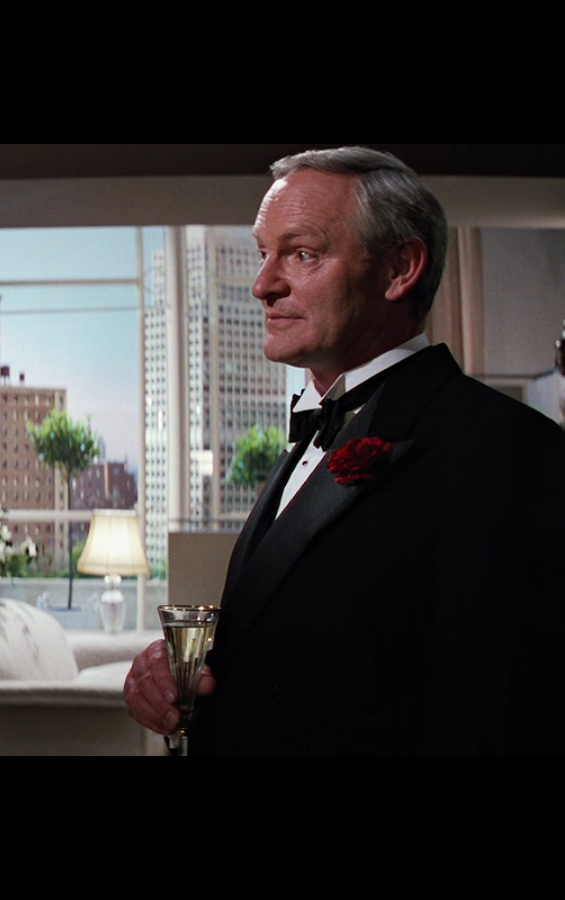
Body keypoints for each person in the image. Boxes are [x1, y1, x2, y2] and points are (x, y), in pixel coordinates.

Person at [125, 146, 565, 754]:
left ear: (400, 268)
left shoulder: (510, 451)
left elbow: (502, 714)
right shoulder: (315, 428)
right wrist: (173, 683)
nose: (262, 285)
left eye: (302, 254)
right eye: (263, 253)